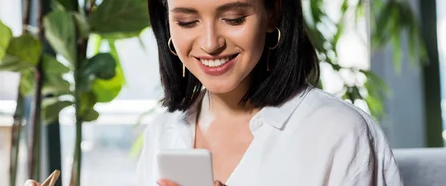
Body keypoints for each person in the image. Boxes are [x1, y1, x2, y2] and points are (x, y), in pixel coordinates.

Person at [137, 0, 402, 186]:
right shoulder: (163, 132)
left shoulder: (339, 132)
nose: (210, 43)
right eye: (187, 21)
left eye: (233, 19)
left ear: (272, 11)